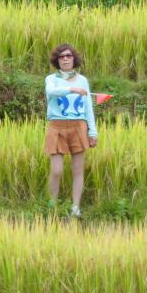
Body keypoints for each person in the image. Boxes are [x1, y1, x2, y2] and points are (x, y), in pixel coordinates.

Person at [44, 43, 98, 219]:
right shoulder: (51, 79)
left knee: (78, 169)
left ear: (74, 59)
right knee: (57, 170)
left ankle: (75, 208)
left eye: (68, 56)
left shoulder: (83, 81)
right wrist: (71, 88)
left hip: (78, 126)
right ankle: (52, 207)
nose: (65, 59)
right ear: (56, 60)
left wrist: (92, 132)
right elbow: (51, 92)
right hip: (56, 125)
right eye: (61, 56)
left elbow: (88, 106)